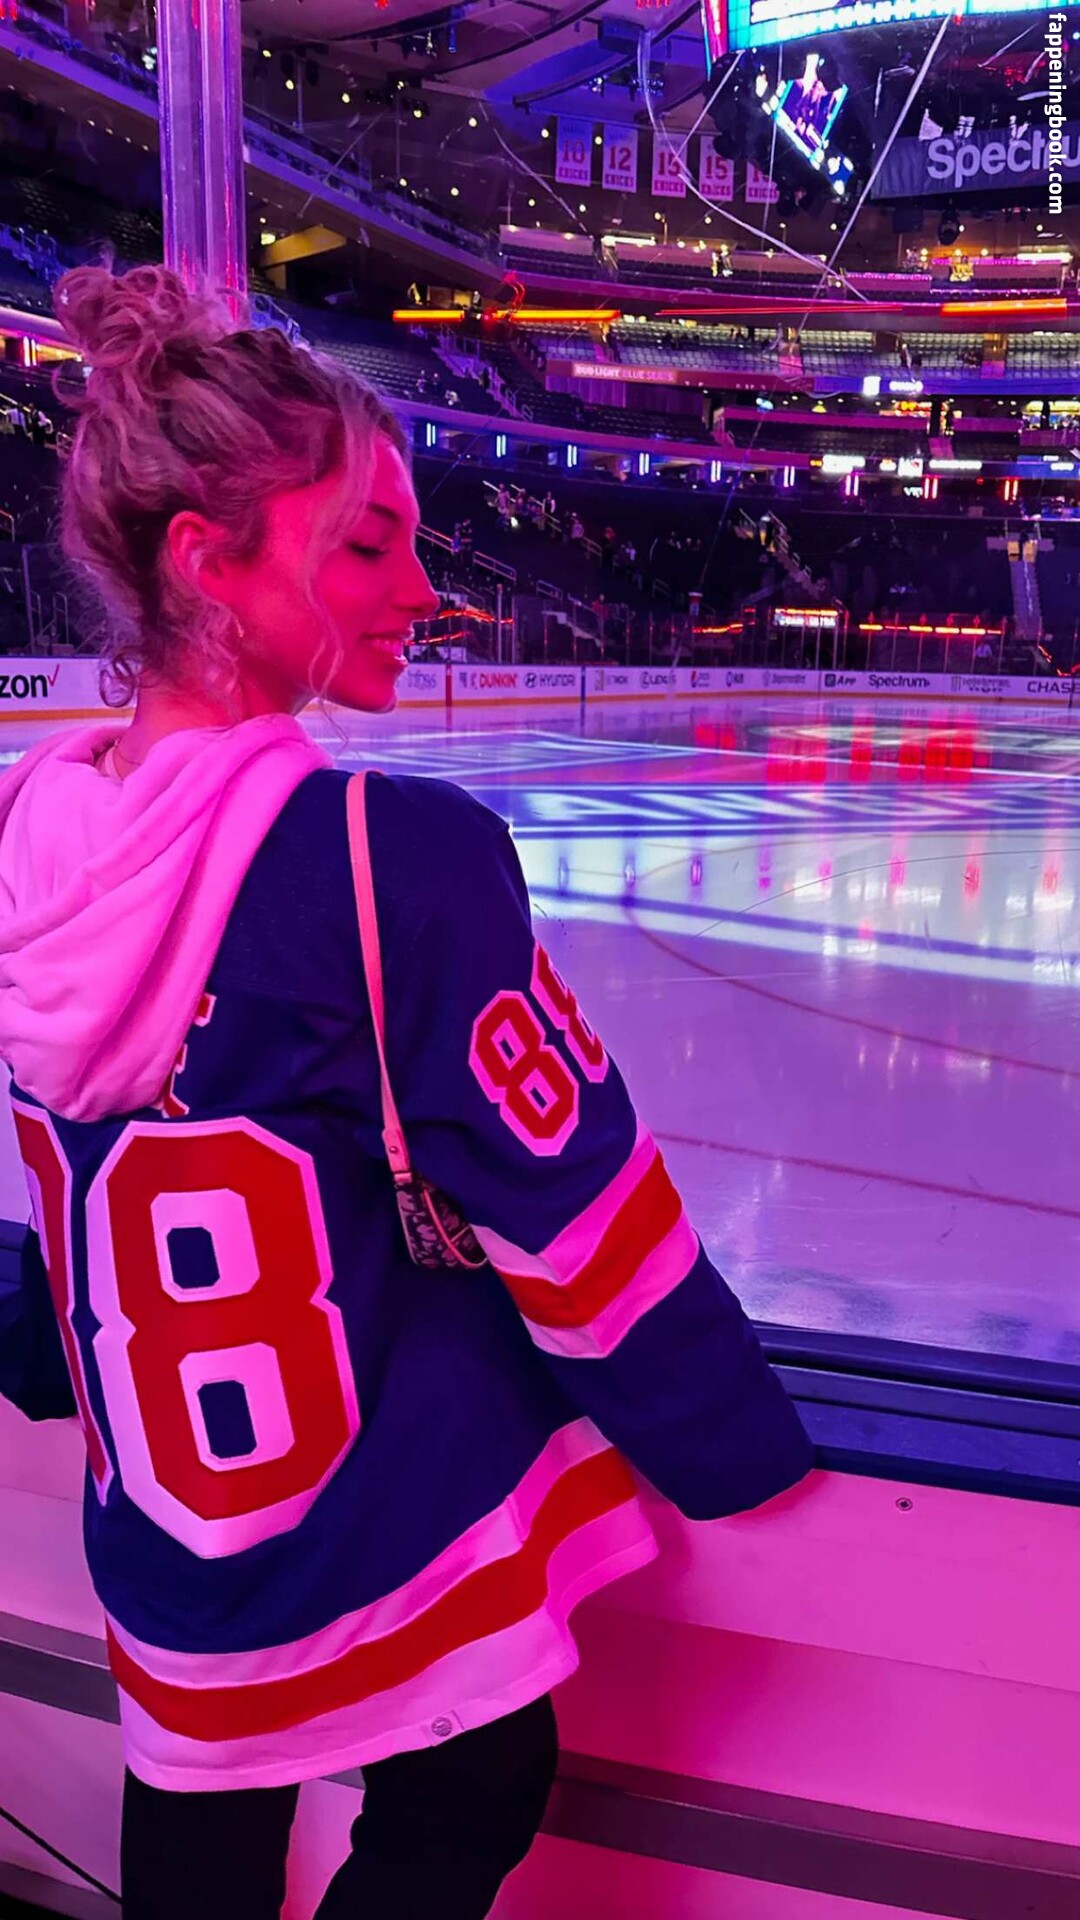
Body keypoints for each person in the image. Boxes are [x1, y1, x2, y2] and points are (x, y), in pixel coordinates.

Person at [0, 264, 812, 1920]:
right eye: (368, 545)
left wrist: (29, 1345)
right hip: (371, 1530)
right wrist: (736, 1450)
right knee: (482, 1780)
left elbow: (66, 1200)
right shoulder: (392, 859)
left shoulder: (27, 837)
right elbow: (575, 1213)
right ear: (206, 561)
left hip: (162, 1530)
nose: (424, 590)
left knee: (199, 1840)